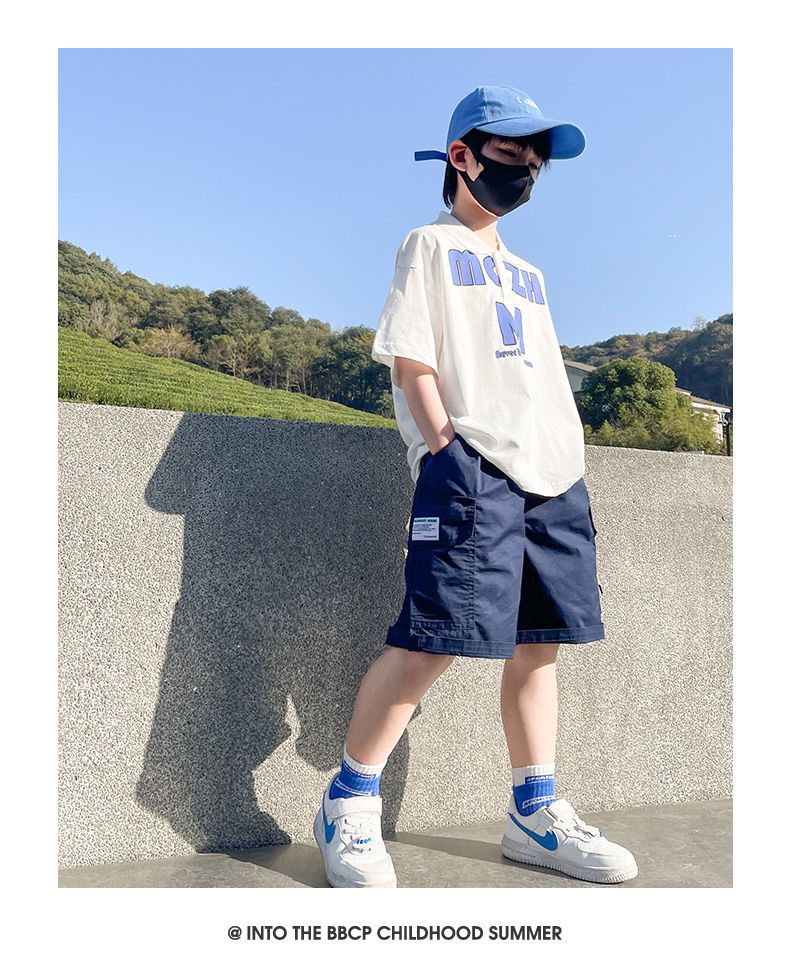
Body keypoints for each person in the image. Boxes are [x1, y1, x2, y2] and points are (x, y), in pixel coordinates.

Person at [313, 85, 638, 887]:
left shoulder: (529, 273)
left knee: (539, 647)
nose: (525, 168)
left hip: (553, 475)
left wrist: (567, 454)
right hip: (473, 470)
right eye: (510, 152)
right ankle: (348, 802)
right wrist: (447, 451)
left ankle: (535, 813)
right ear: (461, 156)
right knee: (430, 641)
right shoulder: (427, 244)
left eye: (536, 160)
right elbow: (412, 358)